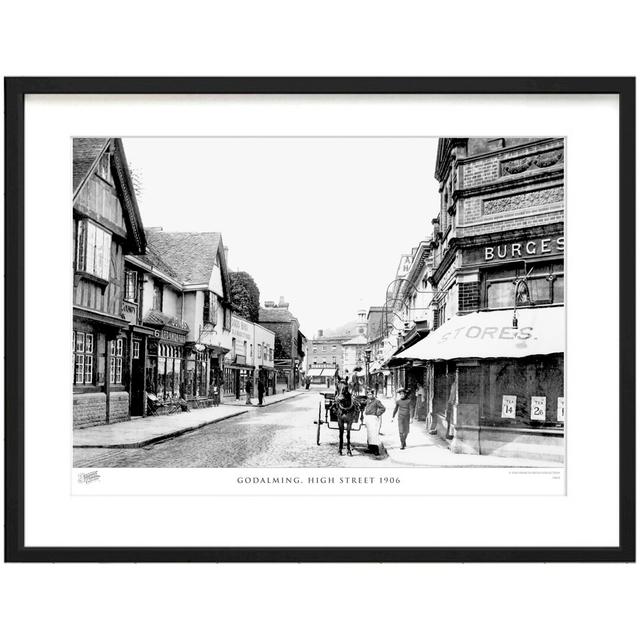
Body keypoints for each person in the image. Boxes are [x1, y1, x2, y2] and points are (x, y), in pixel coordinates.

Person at [364, 390, 386, 456]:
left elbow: (383, 408)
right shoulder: (367, 401)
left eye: (371, 394)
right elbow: (362, 403)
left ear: (373, 395)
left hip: (373, 418)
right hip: (367, 417)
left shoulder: (377, 401)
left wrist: (377, 413)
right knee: (369, 434)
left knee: (374, 434)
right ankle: (370, 449)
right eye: (368, 394)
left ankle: (376, 450)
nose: (369, 396)